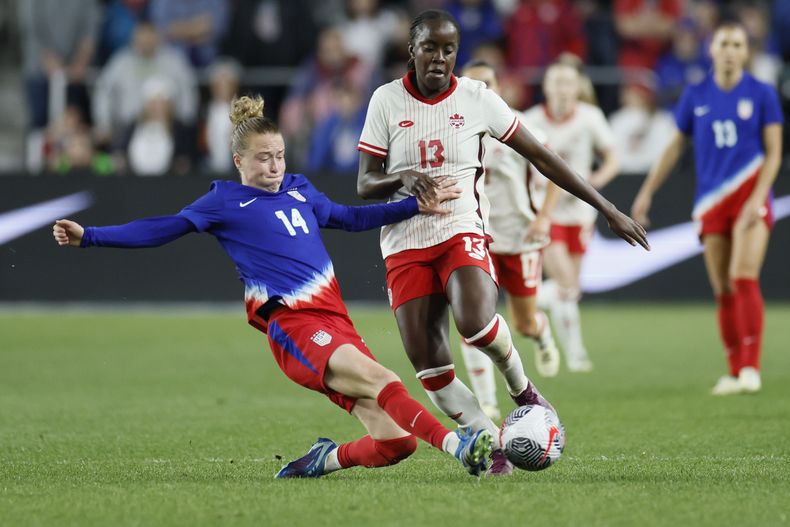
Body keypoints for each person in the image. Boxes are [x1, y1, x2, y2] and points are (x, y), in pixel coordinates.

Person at [53, 94, 496, 478]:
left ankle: (325, 459)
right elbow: (162, 228)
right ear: (238, 161)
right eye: (263, 157)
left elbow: (349, 217)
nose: (274, 165)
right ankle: (461, 448)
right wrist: (90, 236)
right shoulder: (223, 201)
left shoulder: (300, 189)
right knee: (383, 378)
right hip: (294, 326)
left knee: (397, 443)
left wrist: (412, 207)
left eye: (280, 155)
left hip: (336, 321)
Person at [356, 9, 648, 476]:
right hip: (404, 241)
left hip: (460, 228)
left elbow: (543, 156)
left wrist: (607, 208)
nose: (439, 57)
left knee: (473, 320)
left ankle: (523, 390)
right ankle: (493, 445)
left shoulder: (477, 98)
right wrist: (403, 178)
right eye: (429, 47)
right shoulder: (385, 101)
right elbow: (366, 183)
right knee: (428, 366)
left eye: (448, 49)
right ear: (411, 51)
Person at [631, 23, 784, 395]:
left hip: (750, 195)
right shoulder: (696, 94)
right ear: (711, 50)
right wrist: (646, 192)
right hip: (711, 201)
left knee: (743, 275)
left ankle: (751, 368)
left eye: (737, 44)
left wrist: (757, 197)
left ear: (745, 52)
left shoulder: (762, 93)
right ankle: (734, 372)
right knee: (722, 287)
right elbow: (674, 147)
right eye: (723, 44)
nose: (730, 50)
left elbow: (774, 152)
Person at [458, 61, 561, 422]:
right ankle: (486, 401)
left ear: (499, 86)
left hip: (520, 236)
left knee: (523, 324)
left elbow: (550, 171)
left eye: (487, 82)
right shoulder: (456, 126)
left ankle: (542, 332)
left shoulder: (517, 124)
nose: (480, 90)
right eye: (473, 83)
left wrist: (544, 217)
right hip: (476, 234)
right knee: (473, 322)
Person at [523, 61, 620, 372]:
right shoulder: (532, 120)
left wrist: (598, 179)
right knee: (565, 283)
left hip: (580, 213)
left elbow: (613, 157)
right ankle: (575, 354)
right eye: (557, 82)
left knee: (571, 289)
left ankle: (525, 296)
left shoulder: (589, 118)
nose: (563, 89)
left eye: (568, 83)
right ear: (546, 87)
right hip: (544, 211)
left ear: (578, 88)